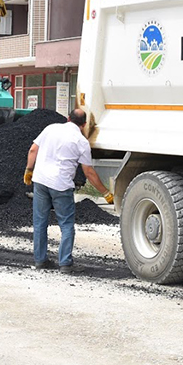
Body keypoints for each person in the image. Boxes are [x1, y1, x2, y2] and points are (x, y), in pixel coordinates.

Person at [24, 108, 113, 273]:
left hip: (41, 181)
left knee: (40, 223)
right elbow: (89, 172)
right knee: (66, 225)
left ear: (67, 118)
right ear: (84, 124)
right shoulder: (81, 141)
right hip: (61, 186)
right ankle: (65, 263)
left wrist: (29, 170)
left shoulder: (50, 129)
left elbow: (33, 150)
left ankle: (40, 261)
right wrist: (105, 193)